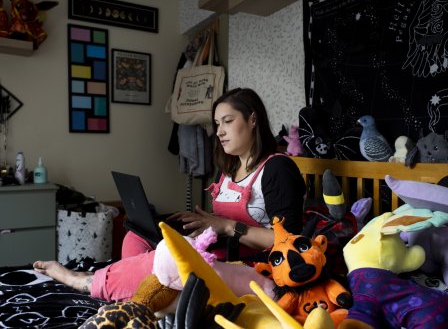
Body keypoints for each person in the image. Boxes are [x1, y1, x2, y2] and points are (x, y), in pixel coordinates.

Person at [33, 87, 306, 302]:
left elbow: (289, 241)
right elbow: (220, 226)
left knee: (167, 258)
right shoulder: (229, 168)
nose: (219, 132)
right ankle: (137, 290)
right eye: (216, 123)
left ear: (253, 119)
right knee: (136, 236)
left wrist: (225, 225)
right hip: (216, 254)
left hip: (254, 270)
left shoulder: (277, 169)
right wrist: (202, 224)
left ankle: (85, 281)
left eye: (227, 121)